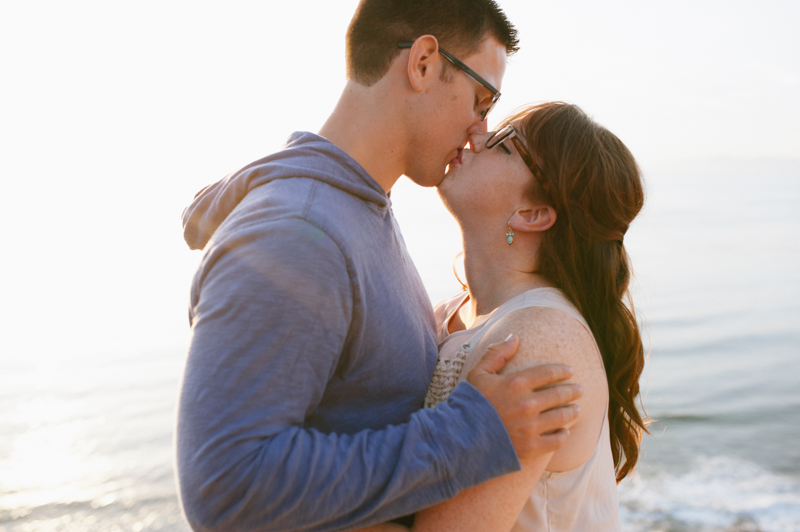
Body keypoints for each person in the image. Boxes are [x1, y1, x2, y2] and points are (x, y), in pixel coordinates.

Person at [177, 2, 583, 531]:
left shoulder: (356, 205)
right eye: (482, 100)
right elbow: (227, 489)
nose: (479, 129)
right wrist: (472, 432)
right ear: (423, 63)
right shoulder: (297, 236)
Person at [355, 102, 650, 531]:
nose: (476, 134)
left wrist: (265, 499)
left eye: (502, 144)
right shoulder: (446, 317)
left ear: (531, 215)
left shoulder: (539, 339)